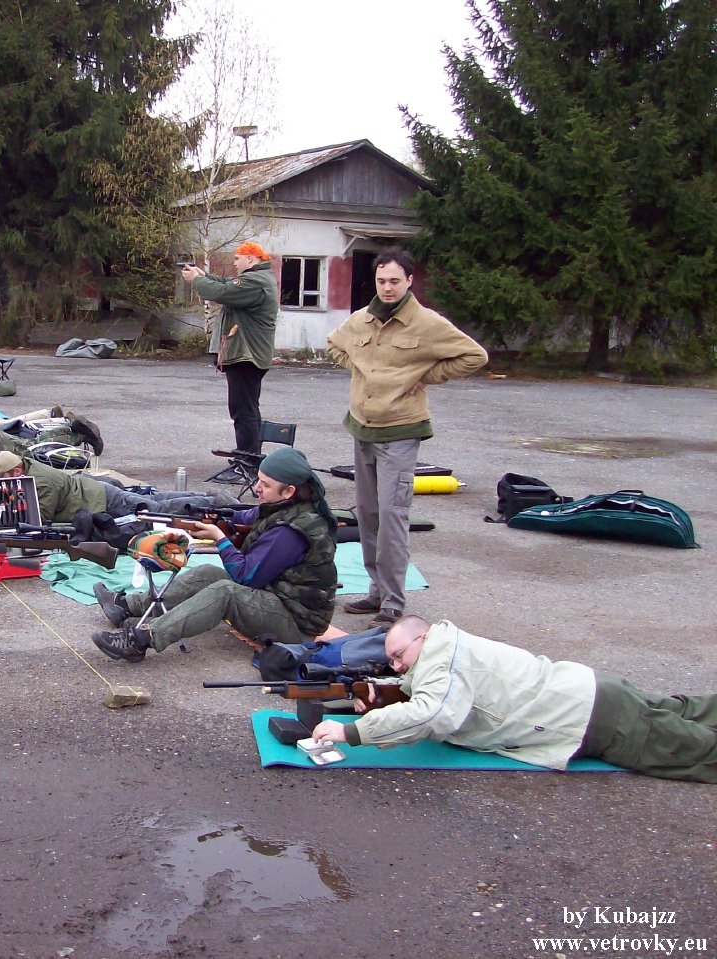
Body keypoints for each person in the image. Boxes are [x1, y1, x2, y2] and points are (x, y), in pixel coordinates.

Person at [311, 616, 717, 783]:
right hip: (594, 692)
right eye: (393, 661)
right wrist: (383, 694)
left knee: (700, 752)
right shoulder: (448, 646)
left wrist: (352, 732)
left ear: (424, 637)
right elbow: (426, 688)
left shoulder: (442, 662)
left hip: (592, 719)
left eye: (400, 656)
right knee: (692, 711)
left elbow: (432, 713)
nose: (397, 666)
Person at [326, 248, 487, 628]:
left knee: (392, 518)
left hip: (399, 433)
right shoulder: (361, 319)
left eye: (395, 281)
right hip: (362, 429)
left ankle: (393, 603)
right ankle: (375, 591)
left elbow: (474, 356)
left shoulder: (426, 323)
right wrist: (358, 369)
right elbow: (333, 344)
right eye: (381, 280)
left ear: (409, 281)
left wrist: (423, 376)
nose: (387, 287)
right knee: (367, 516)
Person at [90, 446, 337, 663]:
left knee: (225, 592)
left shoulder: (291, 531)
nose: (257, 488)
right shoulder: (282, 507)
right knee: (209, 573)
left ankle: (141, 639)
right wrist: (209, 518)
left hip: (297, 624)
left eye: (266, 485)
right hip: (278, 599)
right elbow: (242, 517)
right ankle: (125, 606)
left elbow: (245, 577)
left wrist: (220, 538)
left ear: (289, 491)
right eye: (258, 480)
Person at [181, 242, 277, 455]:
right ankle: (250, 456)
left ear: (250, 258)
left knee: (243, 411)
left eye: (237, 259)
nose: (234, 263)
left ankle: (248, 458)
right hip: (249, 354)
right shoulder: (258, 278)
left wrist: (197, 280)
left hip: (246, 355)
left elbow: (223, 292)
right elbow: (228, 284)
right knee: (248, 408)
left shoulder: (255, 281)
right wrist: (204, 275)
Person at [0, 450, 237, 526]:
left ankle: (213, 503)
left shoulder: (40, 481)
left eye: (2, 478)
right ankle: (206, 496)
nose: (0, 482)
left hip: (101, 499)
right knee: (156, 499)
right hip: (96, 492)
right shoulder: (26, 468)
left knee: (156, 509)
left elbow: (41, 518)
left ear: (16, 472)